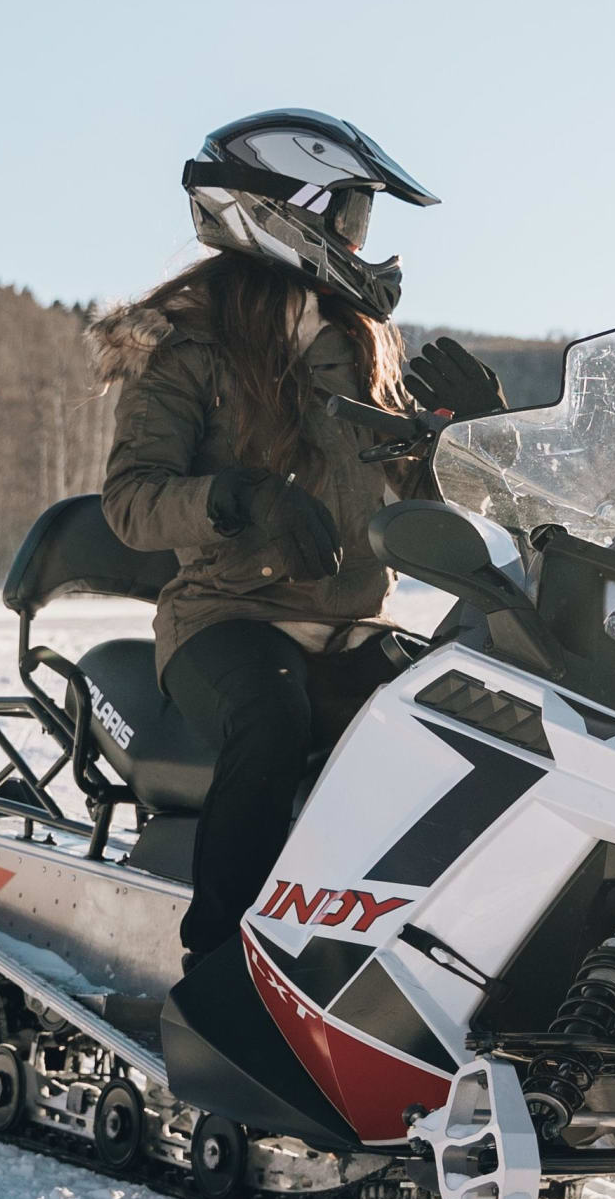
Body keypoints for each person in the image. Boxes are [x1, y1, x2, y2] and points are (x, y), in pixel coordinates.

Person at [98, 109, 508, 969]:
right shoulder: (187, 343)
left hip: (355, 621)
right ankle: (217, 979)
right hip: (226, 621)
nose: (361, 239)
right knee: (272, 719)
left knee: (470, 729)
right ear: (286, 214)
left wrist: (475, 442)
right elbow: (132, 503)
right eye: (350, 215)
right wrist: (239, 497)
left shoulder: (354, 341)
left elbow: (416, 491)